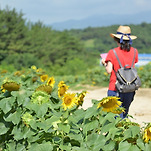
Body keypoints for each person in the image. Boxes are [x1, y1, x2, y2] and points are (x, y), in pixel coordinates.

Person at [101, 25, 138, 119]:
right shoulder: (134, 51)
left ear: (116, 40)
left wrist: (104, 63)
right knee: (124, 115)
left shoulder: (112, 52)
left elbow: (109, 70)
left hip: (115, 88)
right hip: (130, 87)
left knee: (115, 117)